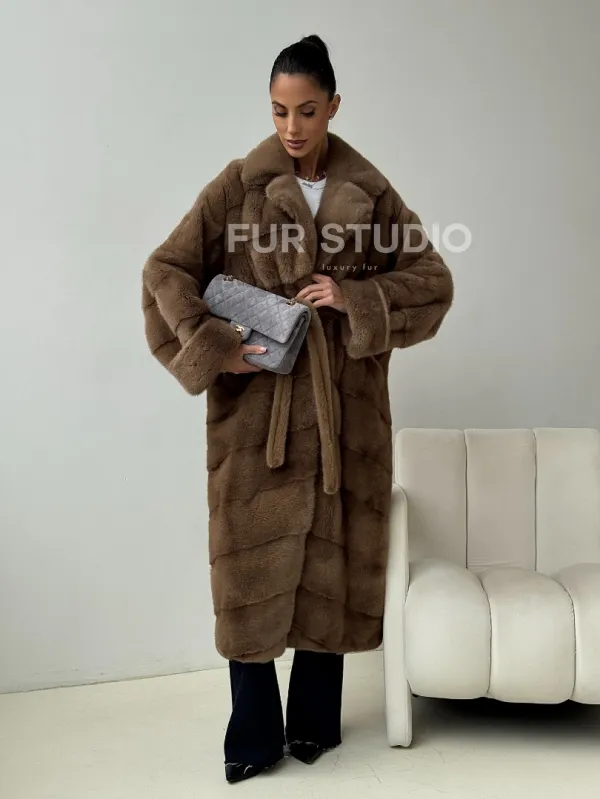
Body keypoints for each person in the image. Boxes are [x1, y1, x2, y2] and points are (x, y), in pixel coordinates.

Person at [141, 34, 454, 783]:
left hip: (345, 414)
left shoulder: (370, 193)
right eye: (279, 110)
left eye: (307, 110)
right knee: (247, 575)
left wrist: (356, 296)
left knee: (331, 566)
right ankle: (252, 734)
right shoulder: (237, 188)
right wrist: (217, 347)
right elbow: (165, 270)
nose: (291, 126)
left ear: (334, 106)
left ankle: (315, 724)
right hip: (258, 417)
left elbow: (432, 282)